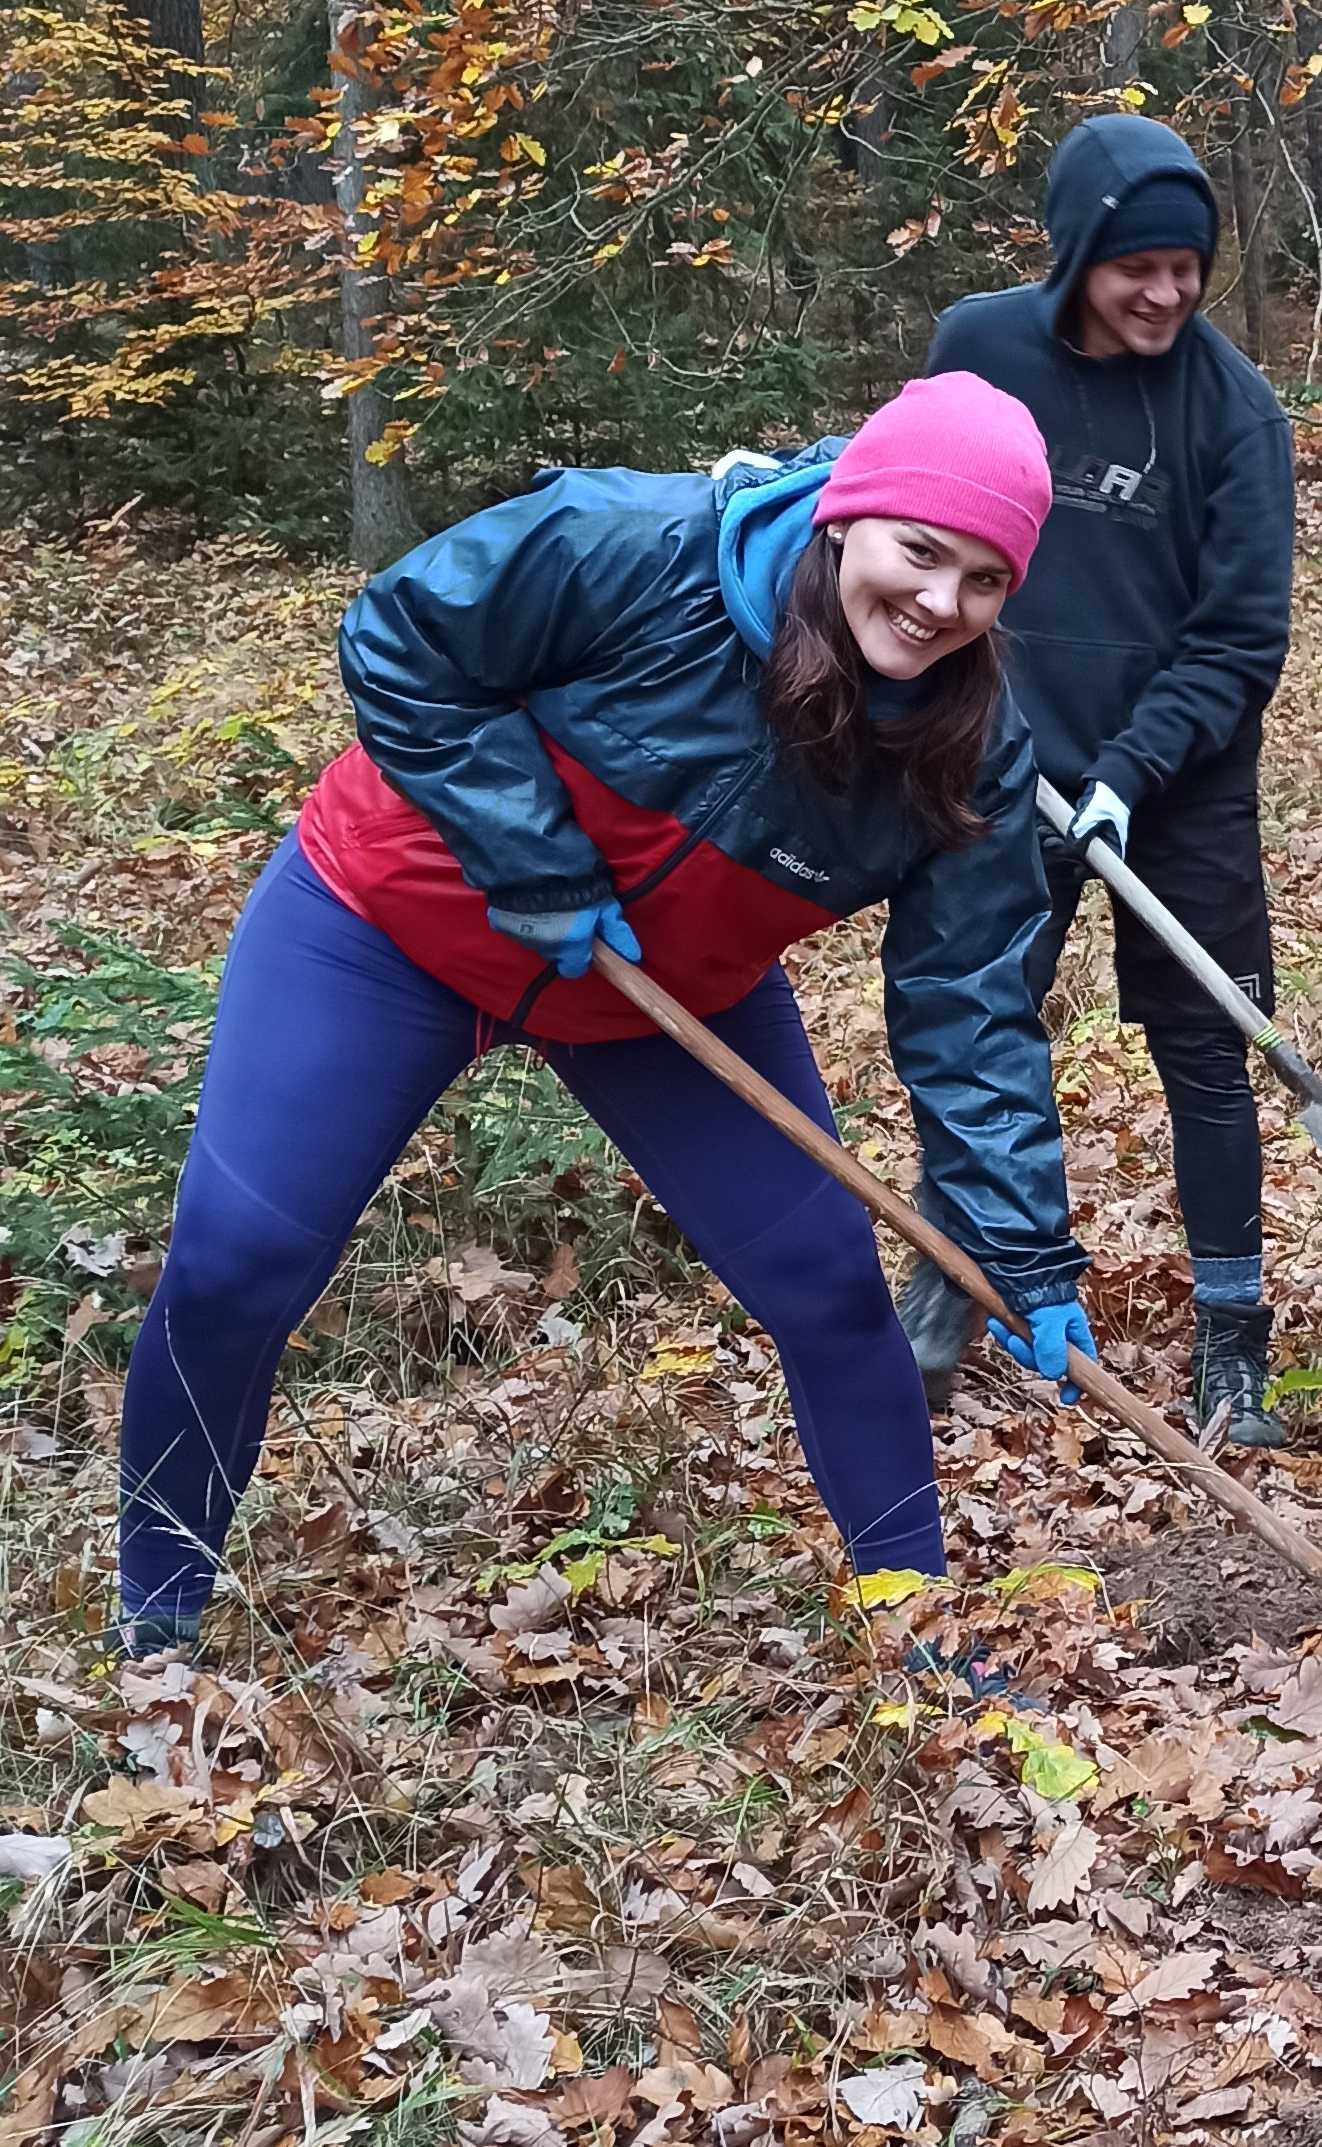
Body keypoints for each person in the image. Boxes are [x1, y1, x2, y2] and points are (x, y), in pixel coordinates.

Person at [118, 380, 1095, 1656]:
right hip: (385, 924)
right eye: (920, 549)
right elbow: (402, 637)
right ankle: (158, 1636)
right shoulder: (625, 545)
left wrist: (1017, 1242)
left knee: (831, 1291)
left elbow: (969, 1001)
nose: (939, 604)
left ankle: (923, 1649)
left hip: (667, 997)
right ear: (850, 515)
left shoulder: (970, 743)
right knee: (234, 1267)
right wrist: (534, 856)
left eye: (983, 579)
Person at [913, 114, 1298, 1442]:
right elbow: (922, 526)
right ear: (1077, 254)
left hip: (1176, 781)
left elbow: (1242, 638)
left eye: (1189, 268)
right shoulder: (980, 350)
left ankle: (1233, 1346)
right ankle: (954, 1286)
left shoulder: (1234, 410)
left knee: (1208, 1048)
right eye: (1140, 266)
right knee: (984, 1023)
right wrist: (991, 730)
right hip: (995, 766)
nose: (1169, 293)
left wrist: (1132, 768)